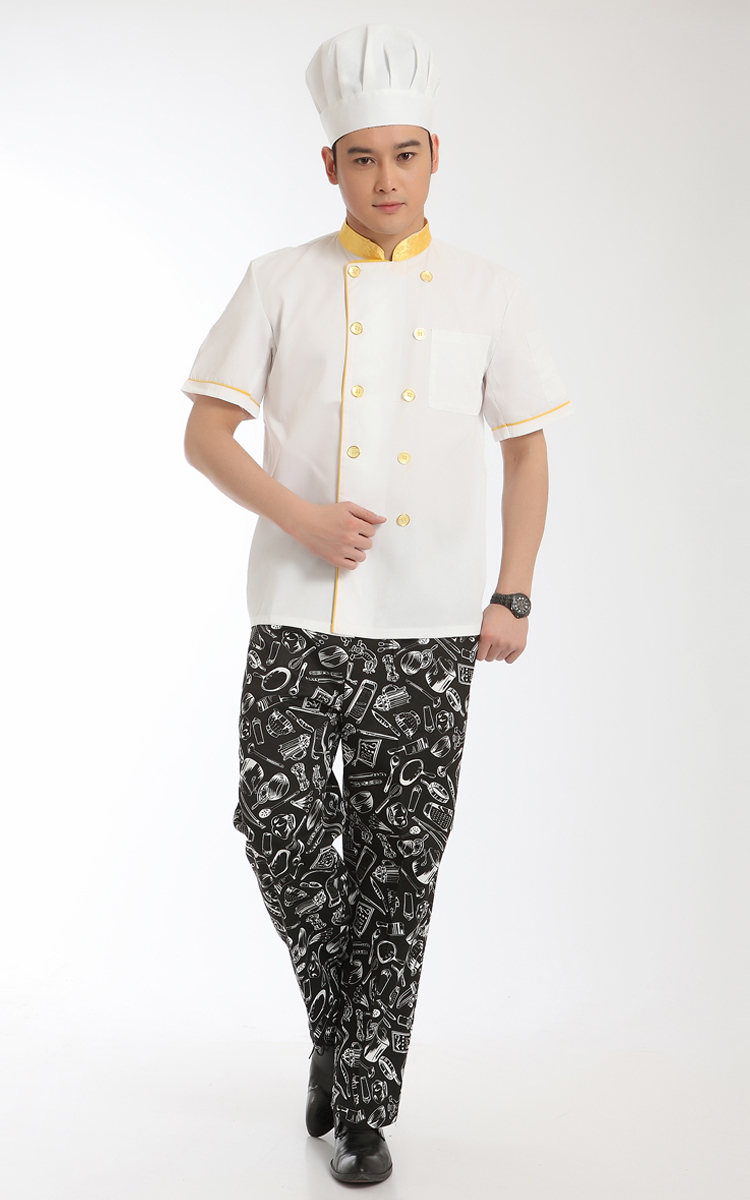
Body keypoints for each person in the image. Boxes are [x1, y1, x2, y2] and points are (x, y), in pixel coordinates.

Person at [180, 22, 571, 1186]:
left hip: (434, 627)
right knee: (278, 830)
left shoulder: (491, 291)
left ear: (434, 157)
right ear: (331, 166)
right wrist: (300, 517)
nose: (386, 178)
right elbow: (206, 433)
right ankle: (344, 1029)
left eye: (405, 154)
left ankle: (362, 1106)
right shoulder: (279, 281)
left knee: (398, 871)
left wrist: (513, 592)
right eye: (363, 158)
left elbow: (526, 453)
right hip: (297, 614)